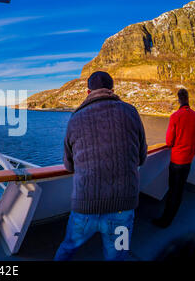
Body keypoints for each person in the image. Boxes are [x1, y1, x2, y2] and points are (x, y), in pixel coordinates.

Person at [54, 71, 147, 261]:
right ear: (112, 90)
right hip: (123, 206)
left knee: (68, 249)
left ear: (88, 92)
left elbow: (69, 165)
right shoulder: (130, 112)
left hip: (84, 206)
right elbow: (141, 157)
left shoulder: (75, 118)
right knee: (117, 256)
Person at [152, 88, 195, 228]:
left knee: (173, 190)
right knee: (179, 190)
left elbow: (169, 141)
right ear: (188, 99)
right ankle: (170, 217)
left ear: (178, 100)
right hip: (188, 160)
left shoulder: (175, 116)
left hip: (177, 161)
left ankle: (165, 221)